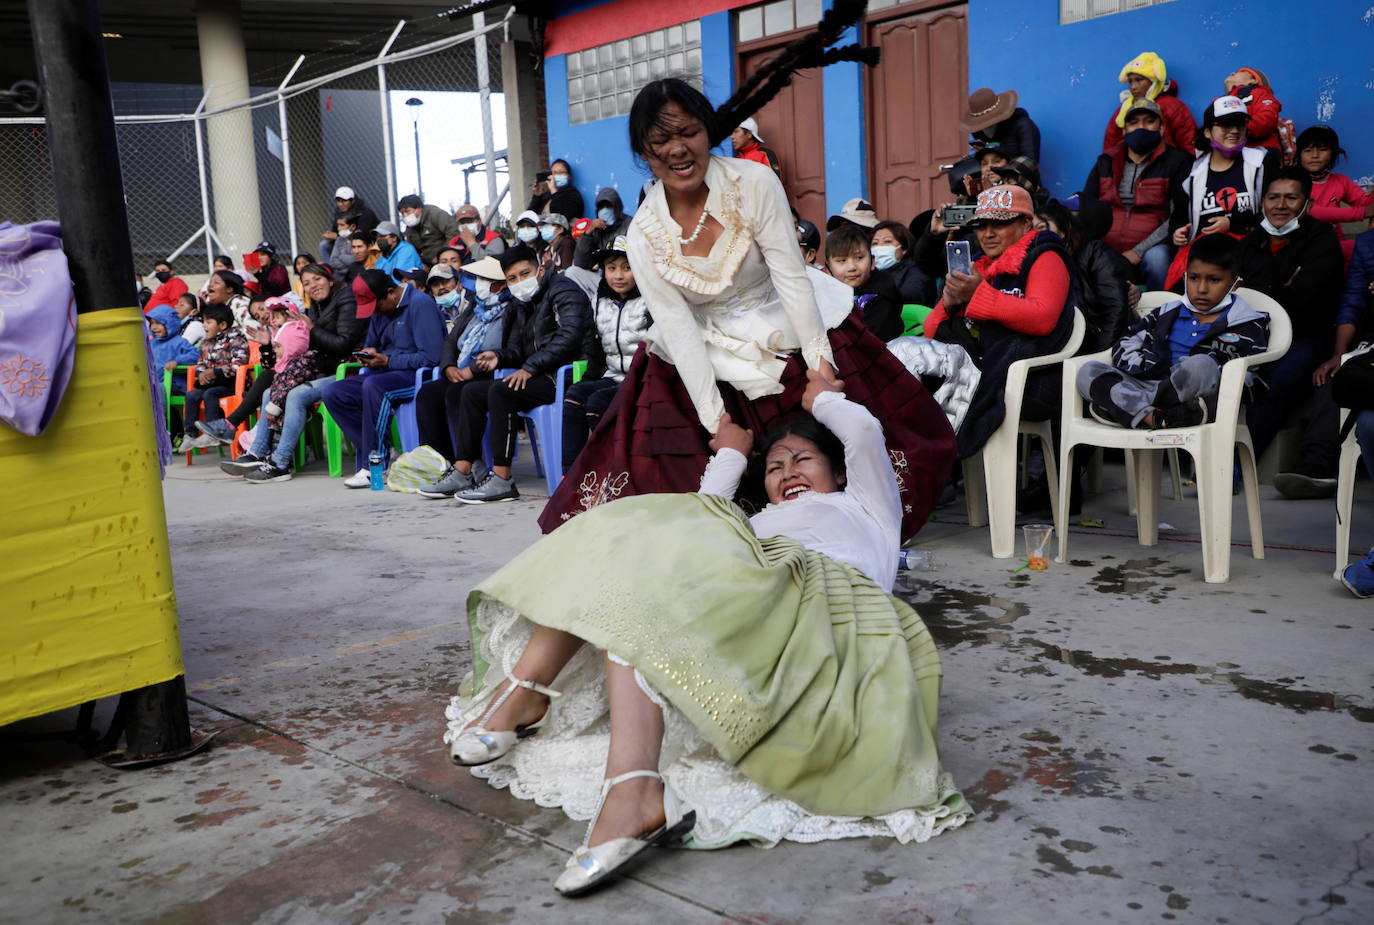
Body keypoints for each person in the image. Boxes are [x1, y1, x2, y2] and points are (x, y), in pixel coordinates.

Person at [443, 371, 967, 896]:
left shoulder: (867, 509)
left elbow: (863, 435)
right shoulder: (756, 524)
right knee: (636, 538)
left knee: (666, 547)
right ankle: (543, 705)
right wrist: (733, 453)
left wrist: (824, 399)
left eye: (803, 460)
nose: (787, 472)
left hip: (826, 605)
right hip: (750, 594)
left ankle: (609, 773)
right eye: (776, 466)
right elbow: (700, 514)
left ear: (837, 472)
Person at [540, 72, 954, 540]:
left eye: (689, 132)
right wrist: (719, 427)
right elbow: (678, 328)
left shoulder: (754, 181)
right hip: (702, 349)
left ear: (709, 132)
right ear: (644, 153)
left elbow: (791, 276)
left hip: (791, 322)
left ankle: (846, 544)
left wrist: (821, 370)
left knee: (849, 440)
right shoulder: (641, 235)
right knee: (669, 481)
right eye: (661, 140)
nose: (678, 149)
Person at [922, 185, 1076, 459]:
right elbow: (932, 330)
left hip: (1036, 380)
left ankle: (935, 463)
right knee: (913, 363)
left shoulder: (1045, 255)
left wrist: (978, 295)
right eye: (981, 226)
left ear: (1026, 222)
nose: (988, 234)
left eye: (1000, 224)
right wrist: (950, 303)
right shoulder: (979, 266)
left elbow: (1043, 319)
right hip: (988, 370)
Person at [434, 246, 593, 504]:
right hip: (540, 372)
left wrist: (531, 367)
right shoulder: (524, 303)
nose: (519, 282)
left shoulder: (564, 290)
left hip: (565, 376)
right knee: (471, 391)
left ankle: (502, 478)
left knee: (501, 390)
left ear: (541, 268)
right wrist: (500, 356)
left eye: (524, 274)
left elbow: (570, 336)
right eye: (512, 278)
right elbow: (519, 347)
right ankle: (463, 469)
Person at [1076, 233, 1268, 430]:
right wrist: (1143, 366)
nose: (1201, 289)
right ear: (1185, 277)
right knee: (1088, 371)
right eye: (1194, 278)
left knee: (1201, 365)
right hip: (1149, 382)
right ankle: (1154, 416)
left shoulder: (1247, 323)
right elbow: (1126, 343)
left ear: (1235, 284)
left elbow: (1248, 373)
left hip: (1197, 395)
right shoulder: (1167, 313)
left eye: (1214, 280)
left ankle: (1129, 409)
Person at [1231, 168, 1344, 481]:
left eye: (1291, 198)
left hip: (1307, 336)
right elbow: (1232, 291)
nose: (1280, 205)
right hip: (1252, 334)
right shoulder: (1251, 242)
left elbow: (1302, 302)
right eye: (1273, 197)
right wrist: (1281, 287)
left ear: (1306, 205)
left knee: (1277, 378)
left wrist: (1260, 291)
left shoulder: (1322, 241)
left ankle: (1236, 466)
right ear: (1263, 201)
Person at [225, 262, 368, 482]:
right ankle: (257, 452)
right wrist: (270, 343)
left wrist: (312, 329)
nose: (313, 286)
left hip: (344, 371)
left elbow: (343, 344)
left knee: (296, 395)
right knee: (268, 393)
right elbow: (296, 351)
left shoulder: (345, 299)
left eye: (317, 280)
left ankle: (280, 463)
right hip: (320, 370)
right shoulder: (317, 307)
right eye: (307, 283)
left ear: (330, 280)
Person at [320, 269, 446, 487]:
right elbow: (375, 344)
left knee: (374, 386)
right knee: (334, 393)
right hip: (384, 372)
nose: (375, 312)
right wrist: (369, 354)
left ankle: (375, 465)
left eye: (376, 306)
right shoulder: (380, 311)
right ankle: (381, 450)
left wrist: (388, 361)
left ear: (391, 293)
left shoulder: (420, 304)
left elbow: (432, 357)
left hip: (417, 376)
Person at [1273, 227, 1374, 500]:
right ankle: (1315, 469)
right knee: (1337, 378)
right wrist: (1340, 355)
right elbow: (1353, 301)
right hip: (1370, 343)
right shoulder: (1368, 242)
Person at [412, 258, 513, 492]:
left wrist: (474, 369)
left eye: (483, 280)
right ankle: (442, 462)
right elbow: (451, 340)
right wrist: (448, 366)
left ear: (499, 284)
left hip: (491, 371)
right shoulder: (476, 307)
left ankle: (468, 463)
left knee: (459, 393)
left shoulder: (512, 308)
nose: (477, 284)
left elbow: (508, 348)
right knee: (429, 393)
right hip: (461, 369)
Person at [1079, 97, 1192, 291]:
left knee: (1157, 258)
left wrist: (1138, 252)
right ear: (1124, 131)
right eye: (1133, 123)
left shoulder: (1177, 162)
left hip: (1151, 250)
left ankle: (1160, 312)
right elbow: (1086, 207)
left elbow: (1177, 217)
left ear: (1162, 128)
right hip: (1107, 248)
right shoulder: (1106, 161)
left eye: (1149, 122)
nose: (1141, 128)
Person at [561, 236, 652, 470]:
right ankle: (570, 474)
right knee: (574, 394)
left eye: (627, 268)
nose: (618, 276)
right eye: (611, 268)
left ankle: (613, 472)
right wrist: (588, 376)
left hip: (645, 381)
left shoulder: (651, 301)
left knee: (597, 403)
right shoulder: (600, 302)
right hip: (613, 378)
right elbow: (592, 349)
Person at [1173, 97, 1282, 248]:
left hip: (1250, 251)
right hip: (1203, 255)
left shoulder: (1262, 162)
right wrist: (1177, 232)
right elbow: (1178, 218)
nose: (1235, 131)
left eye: (1240, 125)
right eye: (1225, 125)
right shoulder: (1190, 173)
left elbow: (1278, 212)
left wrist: (1232, 223)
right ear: (1207, 132)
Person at [1035, 199, 1131, 355]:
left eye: (1041, 228)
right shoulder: (1032, 263)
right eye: (1031, 231)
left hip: (1099, 350)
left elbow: (1115, 310)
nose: (1035, 236)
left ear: (1063, 231)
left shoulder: (1093, 252)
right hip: (1060, 351)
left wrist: (1098, 356)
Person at [1298, 125, 1374, 262]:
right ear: (1298, 154)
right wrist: (1361, 213)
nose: (1315, 155)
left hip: (1335, 243)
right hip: (1303, 245)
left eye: (1323, 150)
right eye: (1308, 150)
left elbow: (1366, 203)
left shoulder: (1340, 181)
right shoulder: (1293, 181)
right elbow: (1309, 211)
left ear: (1333, 153)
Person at [179, 303, 249, 451]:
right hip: (212, 384)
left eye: (208, 322)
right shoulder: (205, 342)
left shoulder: (236, 338)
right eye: (204, 321)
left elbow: (239, 365)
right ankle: (190, 434)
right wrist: (201, 374)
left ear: (222, 325)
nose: (204, 326)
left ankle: (214, 432)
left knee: (210, 394)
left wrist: (215, 372)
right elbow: (200, 364)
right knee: (192, 395)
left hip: (232, 384)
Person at [1102, 52, 1196, 153]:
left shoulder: (1172, 107)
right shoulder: (1124, 110)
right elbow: (1110, 147)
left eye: (1139, 80)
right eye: (1130, 81)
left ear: (1153, 81)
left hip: (1168, 166)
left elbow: (1189, 143)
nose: (1133, 86)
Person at [824, 223, 903, 341]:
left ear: (872, 262)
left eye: (859, 258)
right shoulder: (825, 295)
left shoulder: (881, 298)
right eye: (842, 260)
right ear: (828, 268)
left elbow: (869, 342)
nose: (852, 267)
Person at [962, 87, 1041, 162]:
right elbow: (985, 161)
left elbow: (1030, 165)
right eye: (981, 122)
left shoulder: (1023, 125)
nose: (986, 127)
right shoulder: (978, 131)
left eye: (989, 121)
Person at [871, 221, 935, 308]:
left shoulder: (917, 271)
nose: (880, 247)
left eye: (887, 241)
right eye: (874, 243)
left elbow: (912, 296)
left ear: (904, 248)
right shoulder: (869, 273)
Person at [1224, 68, 1282, 153]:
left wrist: (1238, 128)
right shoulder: (1219, 101)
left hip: (1260, 150)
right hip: (1231, 153)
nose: (1232, 72)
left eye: (1242, 72)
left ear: (1254, 80)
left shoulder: (1260, 93)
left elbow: (1267, 119)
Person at [573, 188, 632, 269]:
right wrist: (588, 233)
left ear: (617, 208)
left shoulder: (630, 225)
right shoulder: (597, 230)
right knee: (573, 271)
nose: (604, 210)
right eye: (601, 207)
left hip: (626, 271)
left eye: (608, 206)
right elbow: (581, 263)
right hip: (604, 273)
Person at [396, 194, 461, 266]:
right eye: (402, 213)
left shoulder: (435, 214)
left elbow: (453, 231)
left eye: (408, 211)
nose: (405, 216)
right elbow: (413, 249)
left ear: (419, 208)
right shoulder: (409, 228)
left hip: (446, 259)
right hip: (427, 264)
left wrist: (443, 255)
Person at [321, 186, 379, 259]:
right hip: (344, 241)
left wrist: (337, 236)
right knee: (324, 245)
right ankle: (328, 269)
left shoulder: (365, 213)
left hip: (366, 243)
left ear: (353, 201)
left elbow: (363, 234)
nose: (340, 204)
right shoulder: (338, 212)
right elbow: (335, 229)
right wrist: (330, 235)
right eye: (338, 201)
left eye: (344, 201)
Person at [146, 304, 200, 378]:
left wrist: (177, 361)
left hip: (172, 384)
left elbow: (195, 355)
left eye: (158, 323)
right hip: (151, 383)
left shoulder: (179, 342)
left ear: (169, 323)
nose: (154, 327)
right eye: (152, 323)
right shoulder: (151, 343)